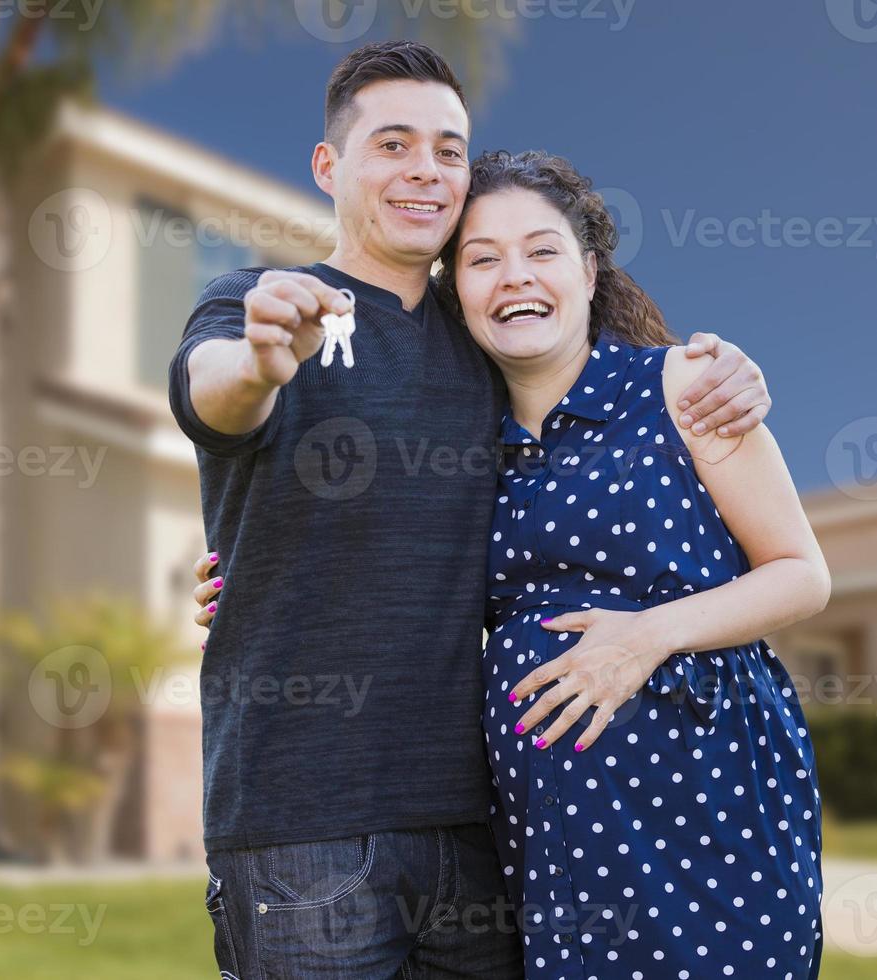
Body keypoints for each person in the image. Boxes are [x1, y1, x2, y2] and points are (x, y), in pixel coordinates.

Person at [170, 40, 772, 979]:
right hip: (303, 826)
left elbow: (584, 389)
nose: (425, 170)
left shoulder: (484, 345)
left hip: (480, 822)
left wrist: (727, 370)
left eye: (448, 149)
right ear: (329, 167)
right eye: (393, 144)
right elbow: (215, 398)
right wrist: (257, 360)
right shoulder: (256, 304)